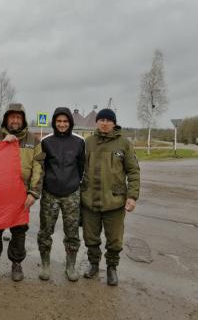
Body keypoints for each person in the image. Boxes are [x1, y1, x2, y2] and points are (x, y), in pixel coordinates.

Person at [0, 103, 44, 282]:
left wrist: (33, 192)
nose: (15, 120)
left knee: (19, 230)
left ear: (22, 119)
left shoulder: (34, 141)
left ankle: (16, 263)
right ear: (6, 118)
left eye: (18, 117)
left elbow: (39, 167)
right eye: (12, 117)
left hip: (21, 194)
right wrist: (2, 143)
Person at [81, 108, 140, 286]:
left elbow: (133, 171)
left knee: (114, 240)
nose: (105, 123)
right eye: (101, 120)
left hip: (114, 202)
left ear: (114, 123)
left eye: (108, 120)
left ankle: (112, 268)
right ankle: (93, 265)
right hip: (90, 200)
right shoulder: (87, 142)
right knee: (91, 238)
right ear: (97, 122)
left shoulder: (124, 144)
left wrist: (132, 196)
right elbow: (77, 168)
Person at [38, 107, 84, 282]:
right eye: (59, 121)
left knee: (72, 233)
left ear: (70, 123)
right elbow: (41, 166)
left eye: (65, 121)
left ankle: (70, 266)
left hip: (71, 194)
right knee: (45, 232)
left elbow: (81, 167)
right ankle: (45, 265)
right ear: (54, 123)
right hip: (50, 194)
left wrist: (74, 183)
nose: (62, 124)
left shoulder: (79, 142)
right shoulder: (45, 142)